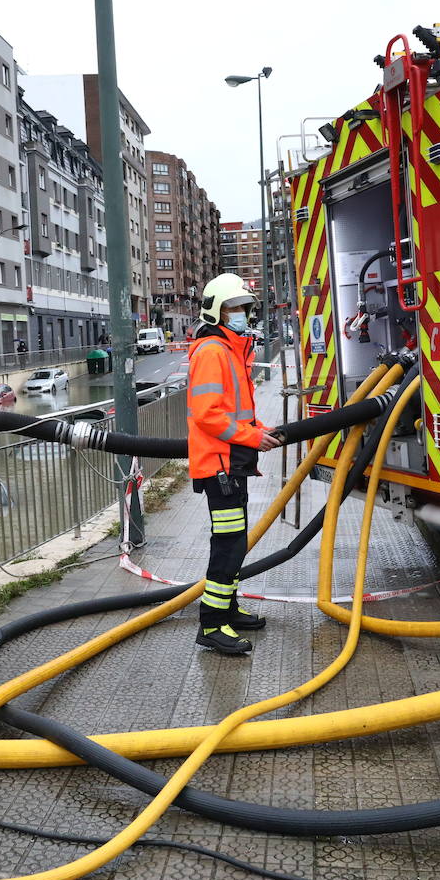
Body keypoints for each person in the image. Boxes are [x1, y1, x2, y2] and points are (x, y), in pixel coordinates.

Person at [187, 273, 282, 656]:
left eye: (244, 307)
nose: (242, 313)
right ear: (216, 311)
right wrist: (252, 437)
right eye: (234, 308)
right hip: (219, 467)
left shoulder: (231, 351)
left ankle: (228, 609)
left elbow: (235, 412)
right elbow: (208, 415)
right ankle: (211, 624)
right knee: (228, 545)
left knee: (234, 541)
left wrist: (259, 429)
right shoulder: (212, 352)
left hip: (231, 463)